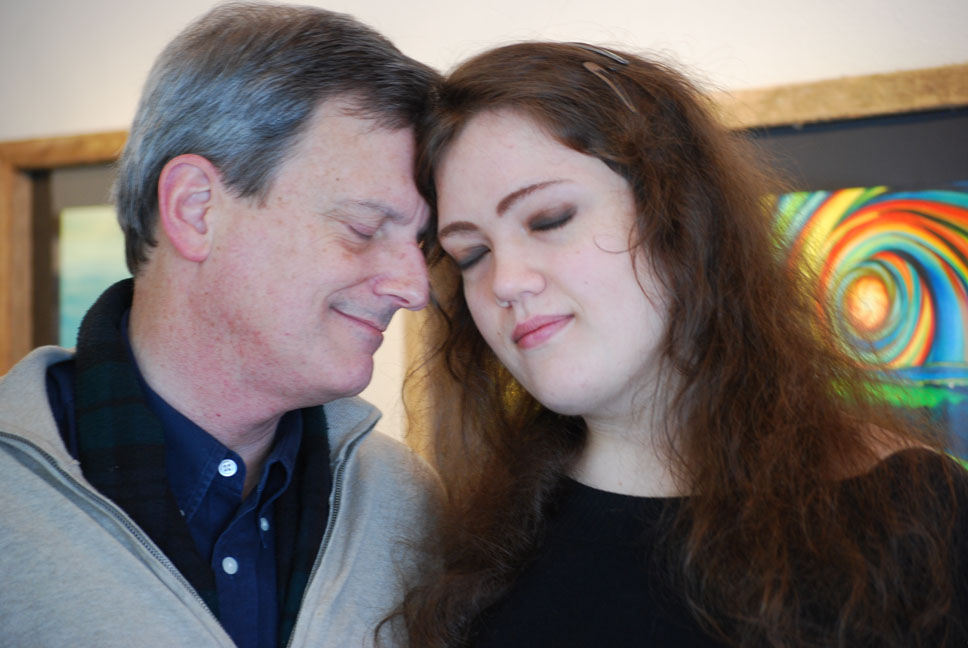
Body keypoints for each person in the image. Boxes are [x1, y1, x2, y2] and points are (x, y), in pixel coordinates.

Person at [396, 42, 968, 647]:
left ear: (681, 217)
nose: (506, 281)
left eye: (550, 219)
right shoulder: (469, 549)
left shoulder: (916, 516)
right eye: (472, 255)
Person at [0, 4, 441, 647]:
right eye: (364, 229)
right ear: (196, 209)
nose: (414, 289)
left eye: (421, 243)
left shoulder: (405, 503)